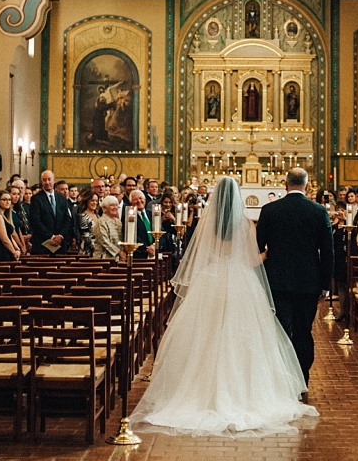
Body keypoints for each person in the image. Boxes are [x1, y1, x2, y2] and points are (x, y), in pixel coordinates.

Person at [130, 175, 319, 436]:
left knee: (206, 335)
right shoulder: (243, 224)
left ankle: (198, 390)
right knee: (242, 337)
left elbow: (200, 256)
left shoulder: (206, 224)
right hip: (241, 282)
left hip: (212, 281)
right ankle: (243, 390)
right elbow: (252, 259)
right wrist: (268, 254)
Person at [256, 167, 334, 390]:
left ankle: (282, 382)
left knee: (281, 330)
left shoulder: (270, 211)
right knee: (303, 331)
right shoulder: (318, 211)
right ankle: (302, 380)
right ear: (307, 186)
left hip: (277, 280)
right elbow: (327, 251)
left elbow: (258, 247)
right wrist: (326, 284)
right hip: (308, 282)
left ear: (285, 184)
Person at [30, 170, 71, 255]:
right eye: (44, 180)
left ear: (54, 180)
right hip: (42, 244)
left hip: (60, 244)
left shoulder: (62, 198)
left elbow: (67, 219)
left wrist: (61, 235)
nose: (47, 182)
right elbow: (36, 221)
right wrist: (51, 236)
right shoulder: (36, 199)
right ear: (42, 182)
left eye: (49, 179)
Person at [0, 189, 22, 261]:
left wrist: (17, 249)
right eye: (4, 199)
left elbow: (10, 236)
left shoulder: (5, 216)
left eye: (9, 199)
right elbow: (5, 239)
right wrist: (14, 252)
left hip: (7, 250)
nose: (8, 202)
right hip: (0, 252)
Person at [93, 195, 122, 260]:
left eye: (116, 205)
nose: (115, 207)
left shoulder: (118, 221)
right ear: (104, 208)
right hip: (103, 258)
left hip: (118, 258)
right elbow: (104, 241)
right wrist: (119, 252)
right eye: (112, 205)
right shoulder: (101, 221)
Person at [77, 189, 98, 255]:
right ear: (87, 201)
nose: (95, 203)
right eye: (92, 200)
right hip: (87, 251)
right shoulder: (83, 216)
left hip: (98, 251)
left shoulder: (99, 216)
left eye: (96, 201)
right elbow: (86, 236)